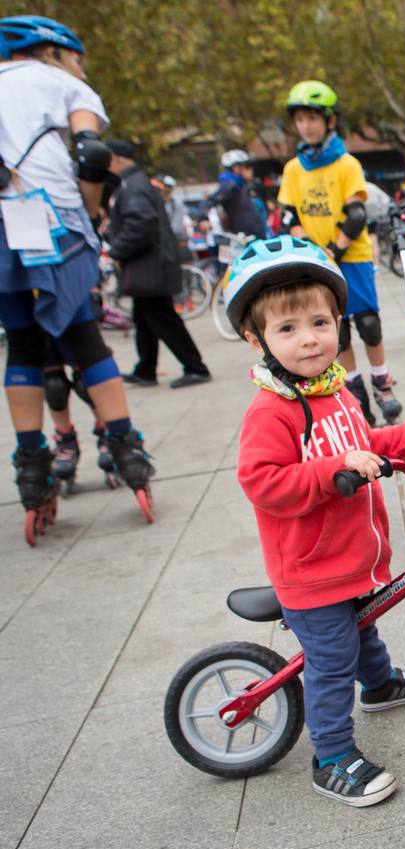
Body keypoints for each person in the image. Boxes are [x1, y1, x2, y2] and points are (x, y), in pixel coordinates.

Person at [227, 235, 405, 807]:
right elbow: (263, 483)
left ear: (339, 323)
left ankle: (380, 686)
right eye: (288, 329)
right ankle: (331, 757)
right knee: (331, 660)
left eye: (320, 322)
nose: (309, 339)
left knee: (364, 626)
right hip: (311, 569)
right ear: (257, 340)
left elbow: (363, 442)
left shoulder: (336, 392)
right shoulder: (271, 411)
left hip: (350, 558)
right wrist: (330, 471)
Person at [0, 15, 155, 523]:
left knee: (22, 343)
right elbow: (91, 154)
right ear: (54, 53)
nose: (83, 71)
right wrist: (89, 214)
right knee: (84, 338)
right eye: (79, 61)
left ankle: (31, 468)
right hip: (54, 219)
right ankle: (127, 449)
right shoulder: (61, 82)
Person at [278, 79, 402, 425]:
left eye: (313, 118)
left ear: (329, 120)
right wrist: (315, 250)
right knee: (337, 327)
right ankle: (355, 387)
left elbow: (357, 215)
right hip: (318, 260)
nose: (306, 125)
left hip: (353, 256)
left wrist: (333, 249)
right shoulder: (293, 169)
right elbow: (290, 216)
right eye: (300, 120)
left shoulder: (346, 164)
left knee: (368, 324)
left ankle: (382, 381)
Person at [106, 141, 212, 389]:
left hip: (149, 267)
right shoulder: (136, 183)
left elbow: (141, 224)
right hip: (150, 266)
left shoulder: (132, 186)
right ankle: (145, 369)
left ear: (114, 157)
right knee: (144, 318)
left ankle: (195, 367)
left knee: (162, 318)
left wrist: (116, 250)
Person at [197, 149, 265, 240]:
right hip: (243, 241)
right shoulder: (229, 186)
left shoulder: (242, 186)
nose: (251, 170)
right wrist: (202, 219)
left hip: (254, 238)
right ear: (236, 168)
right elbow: (208, 202)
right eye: (247, 166)